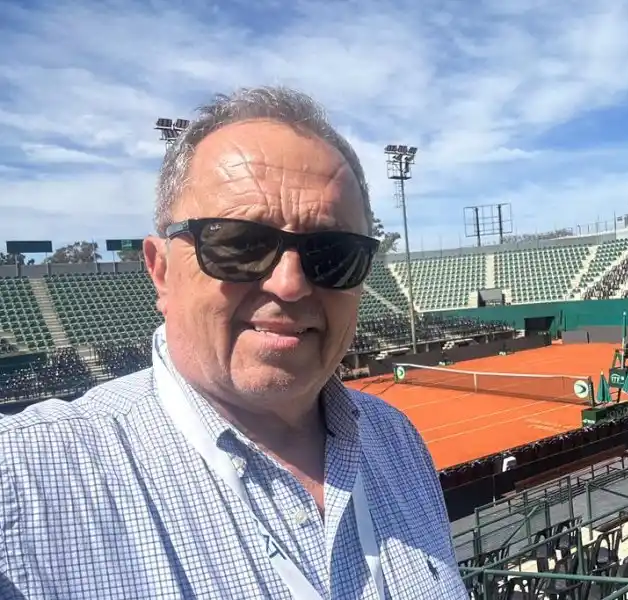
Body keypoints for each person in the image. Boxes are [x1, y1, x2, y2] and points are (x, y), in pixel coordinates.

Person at [0, 86, 468, 599]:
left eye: (333, 253)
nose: (289, 285)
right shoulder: (25, 475)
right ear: (159, 270)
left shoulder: (397, 439)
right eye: (240, 244)